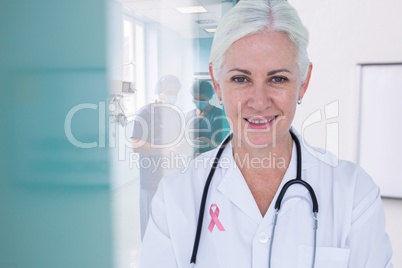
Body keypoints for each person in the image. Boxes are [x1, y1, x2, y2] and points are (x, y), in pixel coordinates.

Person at [140, 1, 393, 267]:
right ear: (217, 83)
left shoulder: (353, 194)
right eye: (241, 79)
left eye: (278, 79)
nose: (259, 102)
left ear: (303, 82)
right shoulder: (176, 197)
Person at [131, 74, 185, 239]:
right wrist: (165, 149)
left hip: (172, 176)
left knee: (170, 224)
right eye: (169, 91)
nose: (172, 96)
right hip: (151, 179)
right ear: (159, 91)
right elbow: (136, 145)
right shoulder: (145, 113)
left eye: (175, 92)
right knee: (150, 224)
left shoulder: (175, 114)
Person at [186, 79, 230, 156]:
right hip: (191, 159)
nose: (198, 101)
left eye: (202, 99)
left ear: (209, 98)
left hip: (211, 160)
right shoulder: (189, 115)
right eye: (196, 98)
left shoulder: (219, 116)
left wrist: (209, 142)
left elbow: (227, 145)